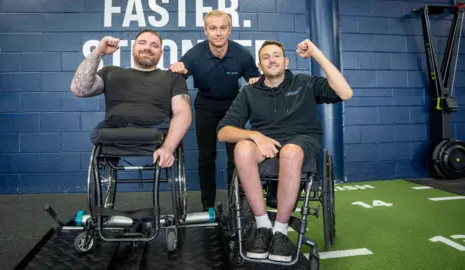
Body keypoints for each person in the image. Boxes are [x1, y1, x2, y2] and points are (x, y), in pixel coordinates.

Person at [216, 39, 353, 262]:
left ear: (286, 61)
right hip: (267, 144)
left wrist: (316, 54)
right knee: (242, 148)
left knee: (290, 152)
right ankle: (262, 226)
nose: (272, 60)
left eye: (277, 55)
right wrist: (255, 135)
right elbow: (223, 132)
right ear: (260, 65)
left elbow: (345, 93)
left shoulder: (304, 82)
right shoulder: (249, 91)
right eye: (266, 57)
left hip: (302, 141)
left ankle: (280, 230)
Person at [169, 10, 261, 211]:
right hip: (205, 105)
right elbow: (176, 80)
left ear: (229, 30)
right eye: (213, 28)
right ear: (205, 31)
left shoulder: (242, 54)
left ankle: (235, 202)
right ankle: (207, 206)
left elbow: (255, 82)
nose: (218, 33)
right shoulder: (194, 54)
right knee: (206, 156)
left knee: (235, 156)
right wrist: (177, 70)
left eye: (222, 28)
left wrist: (256, 83)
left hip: (233, 107)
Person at [70, 29, 192, 168]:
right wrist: (99, 52)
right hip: (115, 129)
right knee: (98, 133)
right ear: (133, 48)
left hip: (156, 130)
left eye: (154, 45)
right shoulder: (111, 72)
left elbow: (183, 114)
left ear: (161, 53)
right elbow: (79, 88)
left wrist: (168, 148)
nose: (147, 47)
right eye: (142, 43)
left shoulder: (173, 77)